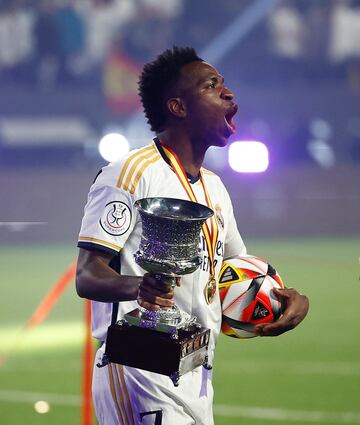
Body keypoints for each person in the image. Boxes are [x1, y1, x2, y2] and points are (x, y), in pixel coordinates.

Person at [76, 46, 309, 425]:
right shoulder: (130, 173)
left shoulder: (216, 189)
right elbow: (87, 275)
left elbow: (235, 274)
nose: (229, 93)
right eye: (212, 85)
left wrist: (284, 300)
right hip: (139, 368)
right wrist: (139, 286)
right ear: (178, 107)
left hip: (196, 373)